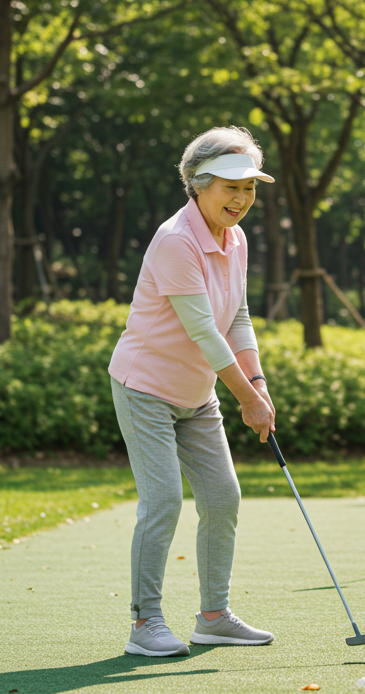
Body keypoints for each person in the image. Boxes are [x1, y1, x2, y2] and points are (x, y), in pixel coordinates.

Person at [107, 126, 277, 657]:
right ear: (197, 185)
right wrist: (246, 399)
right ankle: (144, 624)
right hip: (146, 388)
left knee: (223, 496)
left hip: (197, 393)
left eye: (249, 187)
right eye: (231, 187)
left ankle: (213, 616)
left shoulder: (237, 238)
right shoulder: (177, 241)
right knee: (161, 503)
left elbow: (238, 317)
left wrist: (257, 383)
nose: (242, 198)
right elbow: (203, 330)